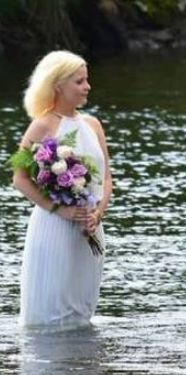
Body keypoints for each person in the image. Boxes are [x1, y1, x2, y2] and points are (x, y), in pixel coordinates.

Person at [13, 50, 112, 329]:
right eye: (79, 82)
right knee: (50, 306)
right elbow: (20, 178)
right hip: (54, 225)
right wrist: (61, 209)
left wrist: (97, 214)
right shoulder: (42, 125)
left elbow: (106, 179)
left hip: (90, 226)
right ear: (58, 86)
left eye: (87, 80)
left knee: (82, 308)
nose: (87, 87)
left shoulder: (93, 125)